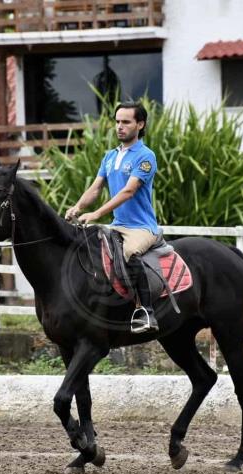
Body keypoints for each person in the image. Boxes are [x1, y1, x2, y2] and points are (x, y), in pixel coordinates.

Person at [65, 101, 159, 333]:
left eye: (126, 122)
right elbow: (96, 188)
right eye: (117, 122)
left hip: (141, 227)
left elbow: (129, 191)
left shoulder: (146, 157)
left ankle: (146, 312)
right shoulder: (110, 156)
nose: (119, 127)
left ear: (140, 124)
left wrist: (96, 213)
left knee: (130, 252)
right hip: (117, 225)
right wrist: (77, 207)